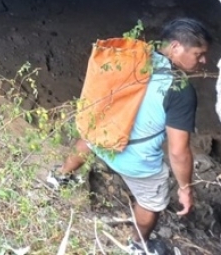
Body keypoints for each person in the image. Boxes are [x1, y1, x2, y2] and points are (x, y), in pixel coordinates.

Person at [48, 18, 212, 255]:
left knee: (89, 138)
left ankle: (60, 177)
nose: (204, 60)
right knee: (152, 201)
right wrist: (185, 188)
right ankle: (137, 244)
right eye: (199, 54)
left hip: (102, 135)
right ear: (176, 47)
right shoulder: (180, 90)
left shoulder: (132, 57)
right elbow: (178, 152)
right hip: (134, 160)